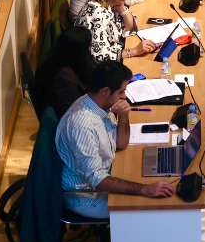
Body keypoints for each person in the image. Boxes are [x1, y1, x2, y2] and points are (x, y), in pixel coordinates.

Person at [55, 60, 175, 219]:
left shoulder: (99, 103)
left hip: (105, 172)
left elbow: (120, 143)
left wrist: (124, 115)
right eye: (121, 92)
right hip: (85, 194)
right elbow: (97, 180)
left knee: (158, 175)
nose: (124, 97)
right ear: (105, 91)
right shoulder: (83, 126)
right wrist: (144, 189)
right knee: (152, 209)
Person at [74, 0, 157, 64]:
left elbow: (131, 28)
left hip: (116, 54)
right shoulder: (96, 14)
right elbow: (99, 56)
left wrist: (122, 9)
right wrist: (135, 51)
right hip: (100, 70)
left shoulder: (111, 2)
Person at [31, 27, 95, 119]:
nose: (89, 49)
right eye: (88, 47)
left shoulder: (59, 57)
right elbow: (73, 111)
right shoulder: (61, 78)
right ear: (79, 51)